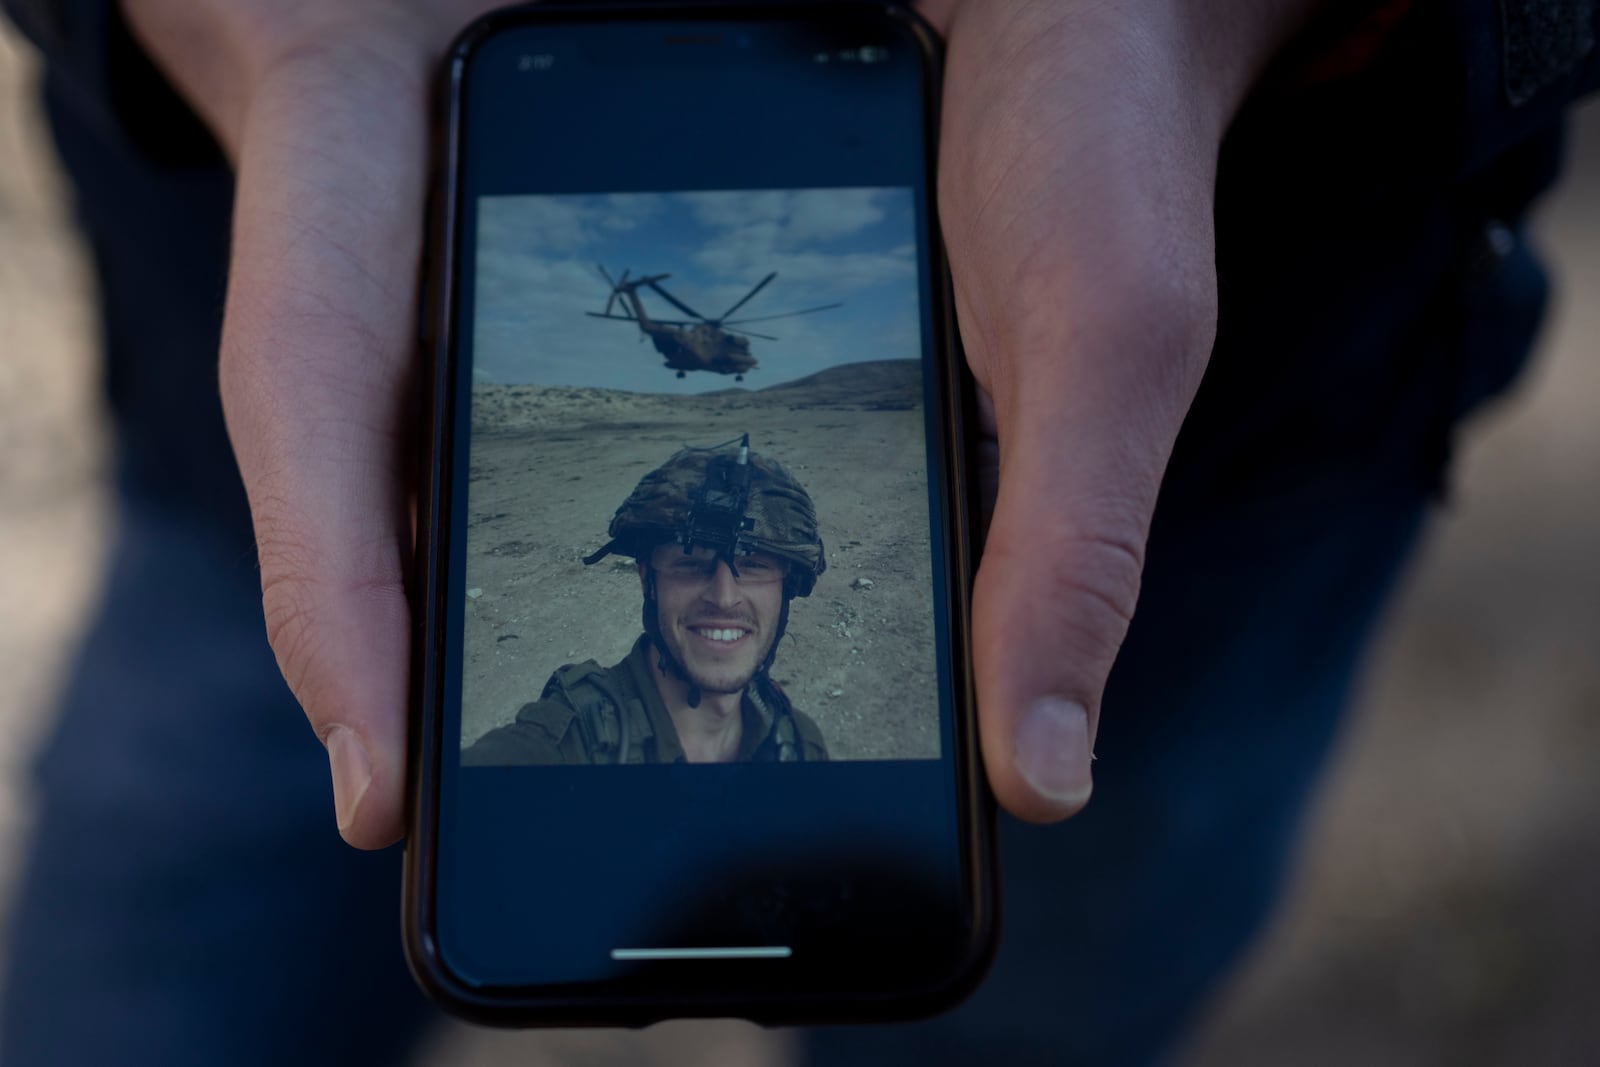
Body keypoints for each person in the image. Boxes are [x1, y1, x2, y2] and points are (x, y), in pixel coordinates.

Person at [2, 0, 1597, 1064]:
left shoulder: (833, 730)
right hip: (258, 430)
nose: (717, 585)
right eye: (686, 556)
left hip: (1230, 449)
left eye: (750, 559)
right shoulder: (552, 724)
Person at [465, 440, 830, 765]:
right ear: (647, 579)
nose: (724, 597)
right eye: (690, 563)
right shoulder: (570, 742)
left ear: (788, 588)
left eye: (753, 565)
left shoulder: (800, 743)